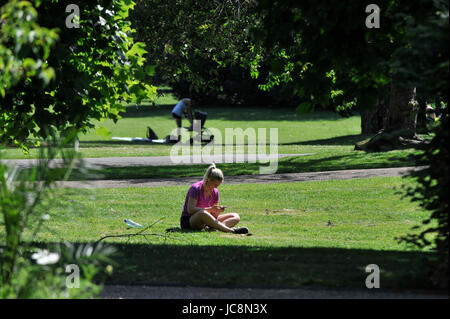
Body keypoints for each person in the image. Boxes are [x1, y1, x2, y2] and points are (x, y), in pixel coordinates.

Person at [180, 164, 249, 234]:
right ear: (208, 179)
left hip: (207, 221)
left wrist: (217, 210)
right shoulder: (196, 188)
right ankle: (231, 230)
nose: (214, 187)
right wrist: (210, 209)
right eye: (213, 184)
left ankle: (216, 229)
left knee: (235, 216)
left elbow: (214, 216)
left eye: (217, 186)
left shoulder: (215, 192)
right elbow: (190, 210)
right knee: (202, 213)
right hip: (190, 220)